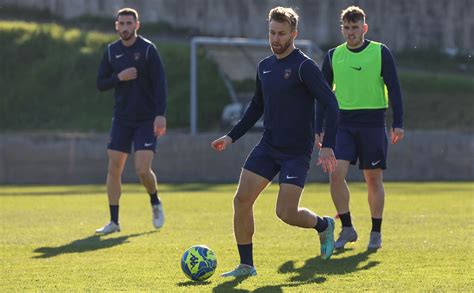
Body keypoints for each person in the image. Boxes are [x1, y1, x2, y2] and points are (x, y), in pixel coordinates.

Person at [211, 6, 340, 277]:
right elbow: (256, 106)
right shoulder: (264, 67)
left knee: (285, 213)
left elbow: (330, 102)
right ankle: (246, 266)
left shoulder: (304, 67)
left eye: (281, 33)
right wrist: (231, 136)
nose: (275, 39)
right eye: (272, 32)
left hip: (296, 152)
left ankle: (323, 225)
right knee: (241, 200)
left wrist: (328, 143)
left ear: (294, 33)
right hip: (268, 146)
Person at [316, 6, 404, 250]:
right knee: (335, 174)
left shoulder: (380, 52)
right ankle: (347, 228)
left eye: (355, 27)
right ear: (342, 29)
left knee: (373, 178)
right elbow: (322, 95)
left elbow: (394, 88)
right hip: (342, 124)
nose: (351, 32)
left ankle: (376, 232)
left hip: (373, 123)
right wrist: (318, 128)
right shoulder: (334, 55)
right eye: (346, 27)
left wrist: (398, 123)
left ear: (364, 28)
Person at [95, 8, 167, 234]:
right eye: (121, 23)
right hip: (122, 119)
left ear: (137, 25)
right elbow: (100, 83)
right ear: (116, 26)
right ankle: (114, 222)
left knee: (142, 170)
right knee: (114, 168)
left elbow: (160, 84)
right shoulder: (111, 51)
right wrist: (119, 77)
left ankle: (155, 201)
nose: (125, 27)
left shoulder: (147, 50)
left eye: (129, 23)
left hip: (146, 120)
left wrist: (160, 114)